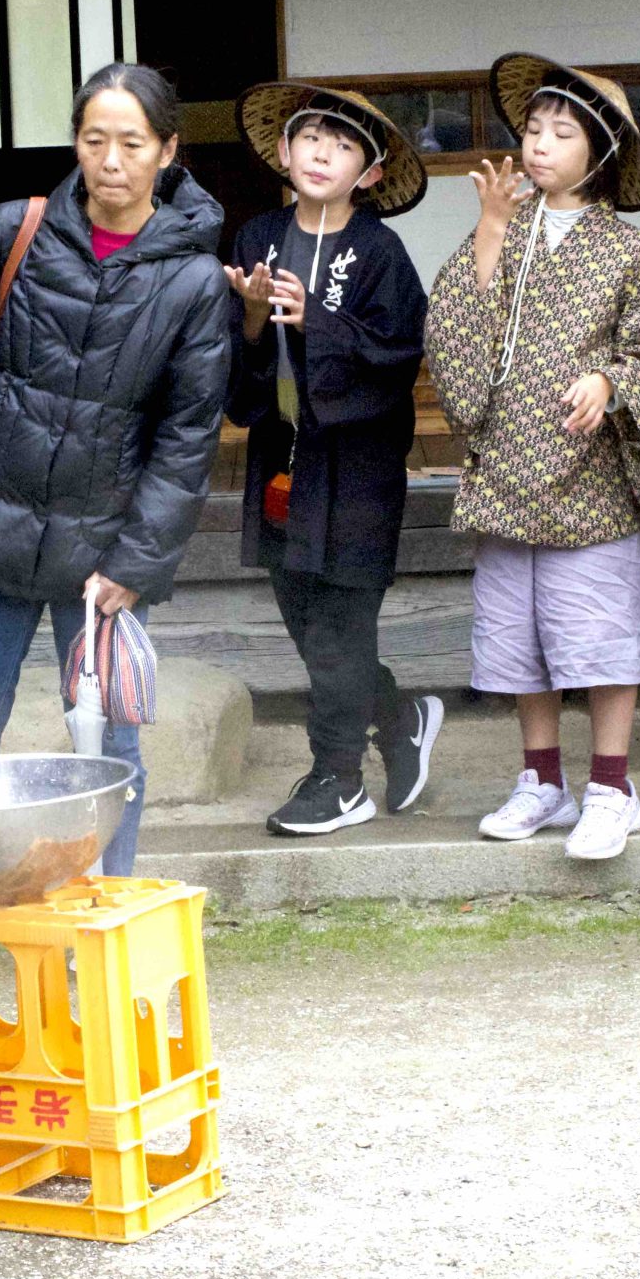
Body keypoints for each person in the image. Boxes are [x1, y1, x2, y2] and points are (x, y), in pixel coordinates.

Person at [0, 62, 229, 874]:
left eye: (131, 143)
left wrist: (136, 565)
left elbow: (188, 437)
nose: (111, 160)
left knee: (111, 755)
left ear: (167, 150)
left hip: (104, 563)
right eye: (94, 140)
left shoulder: (191, 279)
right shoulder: (17, 228)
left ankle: (102, 921)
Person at [427, 54, 640, 862]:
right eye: (533, 129)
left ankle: (612, 784)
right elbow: (454, 325)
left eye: (561, 131)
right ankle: (543, 779)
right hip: (508, 470)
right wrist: (493, 229)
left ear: (600, 152)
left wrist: (611, 380)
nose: (539, 144)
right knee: (521, 638)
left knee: (600, 635)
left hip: (589, 478)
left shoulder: (629, 251)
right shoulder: (504, 230)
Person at [223, 82, 441, 836]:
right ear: (283, 152)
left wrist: (320, 321)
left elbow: (400, 354)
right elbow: (237, 365)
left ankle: (337, 776)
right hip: (282, 458)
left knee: (343, 622)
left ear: (371, 173)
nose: (324, 151)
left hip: (356, 469)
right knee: (310, 625)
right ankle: (399, 712)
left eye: (345, 144)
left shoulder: (381, 252)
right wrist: (253, 320)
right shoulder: (256, 236)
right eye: (311, 136)